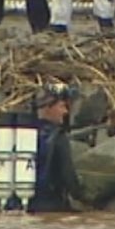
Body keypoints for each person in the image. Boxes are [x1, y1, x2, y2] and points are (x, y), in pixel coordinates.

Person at [27, 83, 85, 213]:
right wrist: (83, 197)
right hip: (51, 207)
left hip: (23, 205)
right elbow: (68, 178)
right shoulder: (58, 137)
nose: (65, 112)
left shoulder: (24, 133)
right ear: (48, 108)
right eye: (62, 106)